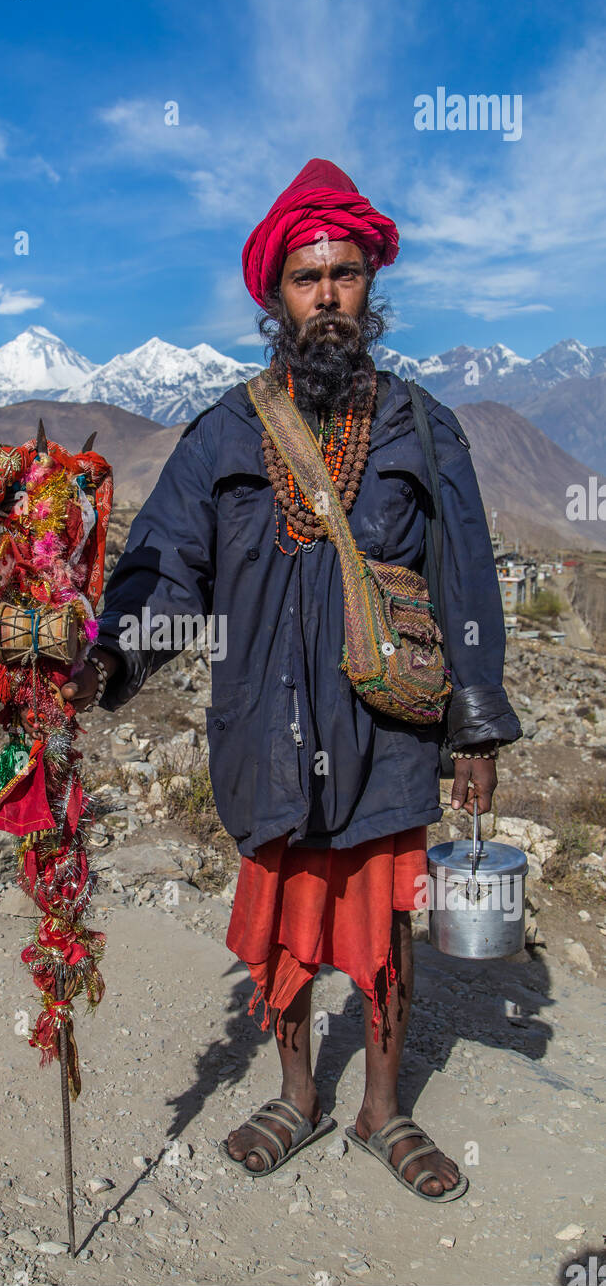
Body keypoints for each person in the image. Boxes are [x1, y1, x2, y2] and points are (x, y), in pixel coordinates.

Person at [59, 158, 521, 1200]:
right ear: (275, 295)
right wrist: (108, 653)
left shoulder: (418, 425)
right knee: (283, 921)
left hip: (384, 726)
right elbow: (166, 563)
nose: (324, 294)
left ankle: (383, 1108)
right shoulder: (223, 432)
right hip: (262, 720)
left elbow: (464, 579)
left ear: (368, 288)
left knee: (384, 919)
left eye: (343, 274)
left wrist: (475, 732)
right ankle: (298, 1092)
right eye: (305, 276)